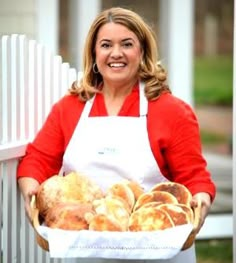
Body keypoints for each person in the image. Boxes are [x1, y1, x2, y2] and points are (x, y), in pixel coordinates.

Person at [17, 6, 216, 263]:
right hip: (85, 249)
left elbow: (194, 176)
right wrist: (30, 188)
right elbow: (39, 159)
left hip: (157, 247)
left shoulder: (171, 111)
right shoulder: (70, 108)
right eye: (106, 45)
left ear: (142, 52)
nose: (116, 53)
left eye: (127, 44)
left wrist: (201, 199)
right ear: (94, 53)